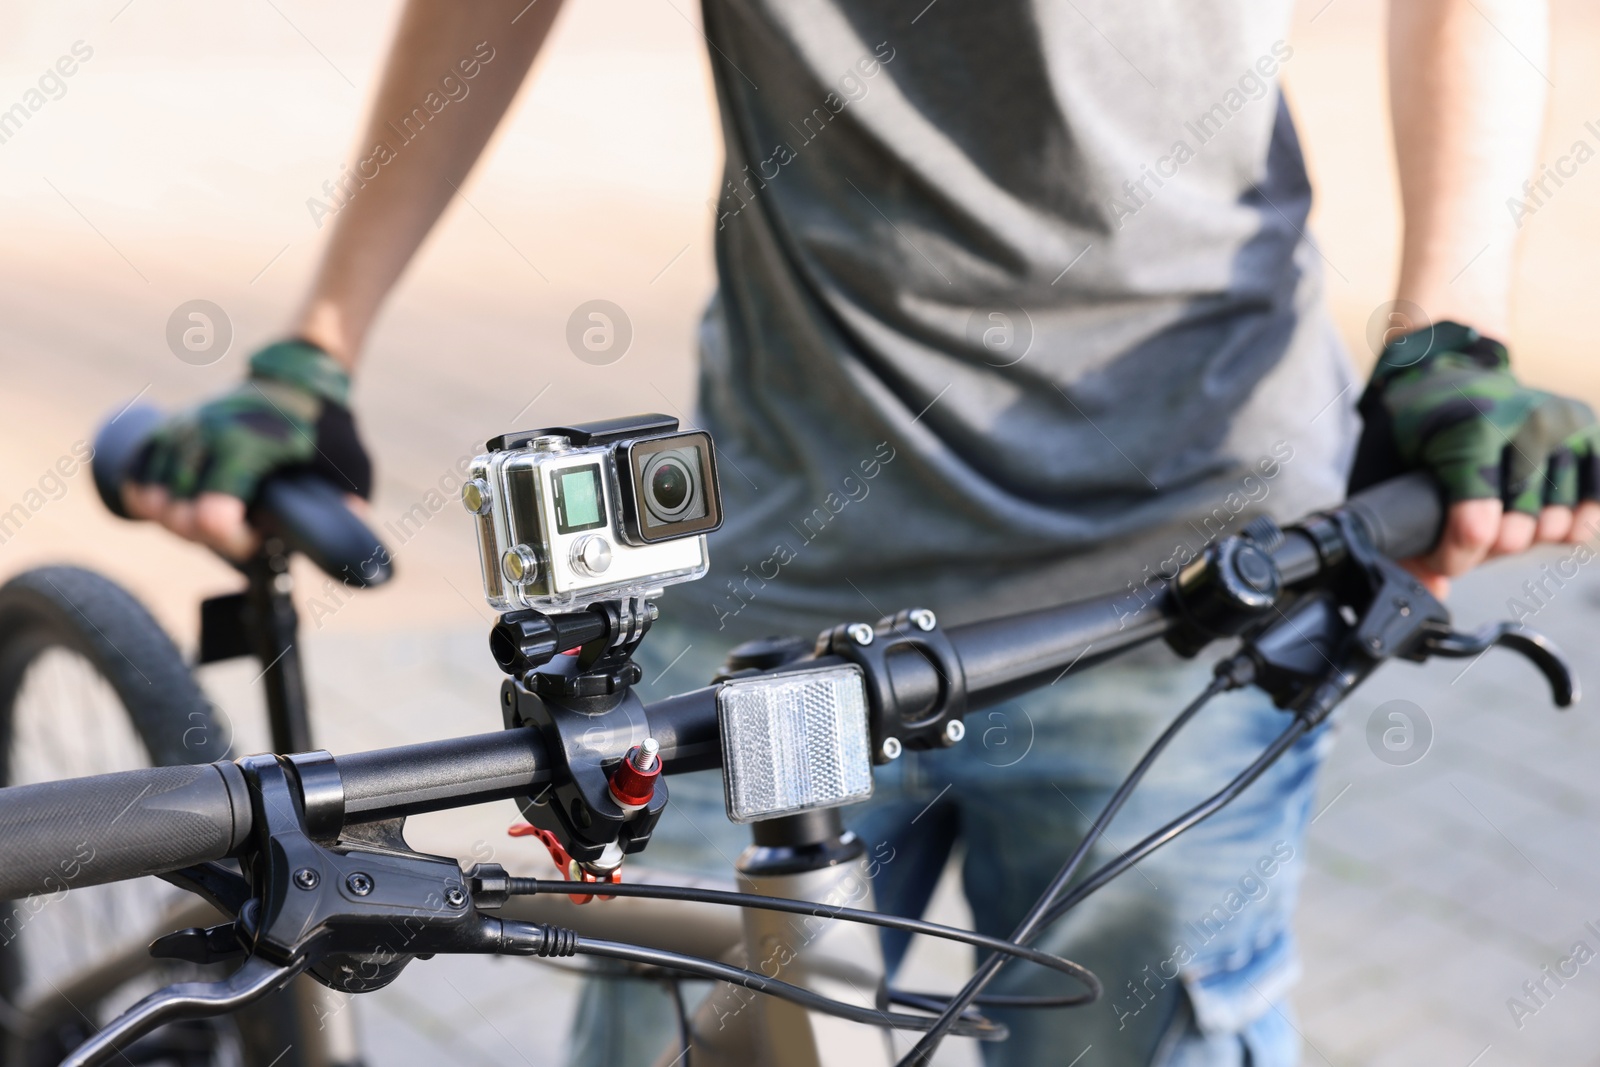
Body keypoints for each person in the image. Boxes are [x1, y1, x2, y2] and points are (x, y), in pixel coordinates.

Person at [121, 1, 1598, 1063]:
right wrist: (318, 343)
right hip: (774, 576)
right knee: (680, 1040)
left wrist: (1449, 331)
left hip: (1182, 577)